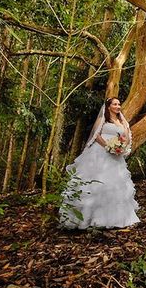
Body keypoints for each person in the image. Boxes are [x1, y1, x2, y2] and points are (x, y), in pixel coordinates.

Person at [59, 97, 140, 229]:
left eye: (119, 104)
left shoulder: (122, 121)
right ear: (108, 106)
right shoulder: (103, 119)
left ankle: (113, 219)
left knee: (113, 185)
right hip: (99, 152)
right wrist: (108, 146)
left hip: (115, 156)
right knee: (96, 183)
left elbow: (125, 137)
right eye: (115, 104)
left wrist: (120, 148)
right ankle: (85, 219)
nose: (118, 106)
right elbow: (96, 135)